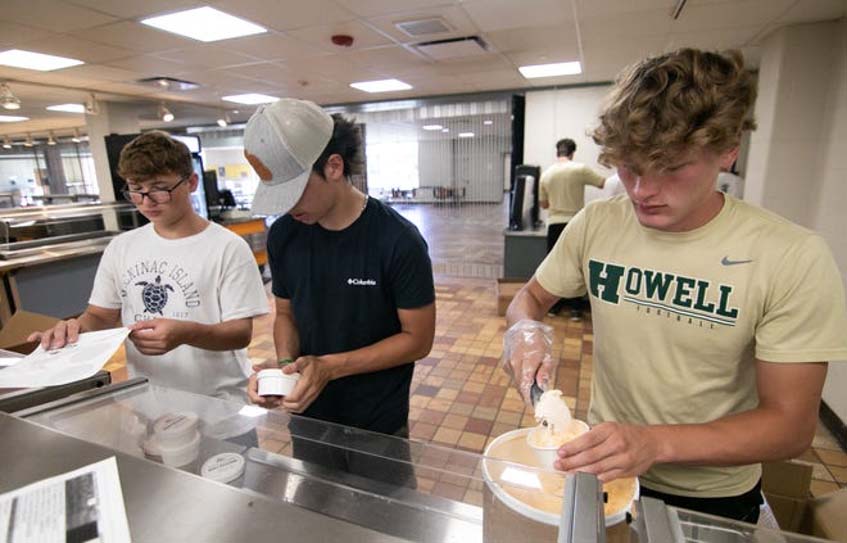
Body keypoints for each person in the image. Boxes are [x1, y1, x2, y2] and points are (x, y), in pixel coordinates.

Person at [504, 48, 847, 523]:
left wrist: (655, 441)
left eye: (672, 167)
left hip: (711, 491)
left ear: (728, 150)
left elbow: (791, 426)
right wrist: (524, 331)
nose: (642, 190)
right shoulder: (598, 224)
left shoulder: (791, 256)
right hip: (601, 468)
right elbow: (532, 298)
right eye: (629, 166)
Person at [242, 99, 435, 483]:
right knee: (318, 513)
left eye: (295, 190)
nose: (288, 207)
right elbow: (286, 314)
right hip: (309, 418)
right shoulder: (284, 234)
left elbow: (418, 340)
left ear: (334, 166)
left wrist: (330, 367)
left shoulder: (397, 240)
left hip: (376, 423)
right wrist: (284, 370)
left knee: (385, 519)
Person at [28, 131, 269, 404]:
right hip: (149, 402)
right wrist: (73, 331)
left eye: (159, 188)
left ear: (191, 182)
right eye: (136, 189)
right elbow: (100, 315)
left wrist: (187, 333)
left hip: (220, 403)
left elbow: (239, 333)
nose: (146, 201)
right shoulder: (121, 247)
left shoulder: (227, 247)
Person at [539, 138, 606, 319]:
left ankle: (554, 307)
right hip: (576, 223)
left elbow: (543, 204)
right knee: (578, 266)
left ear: (557, 153)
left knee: (554, 265)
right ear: (572, 153)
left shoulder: (547, 174)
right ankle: (576, 308)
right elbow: (603, 183)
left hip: (554, 223)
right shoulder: (580, 169)